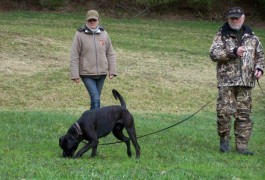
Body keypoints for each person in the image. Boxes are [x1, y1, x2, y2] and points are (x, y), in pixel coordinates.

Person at [209, 6, 264, 155]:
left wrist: (259, 69)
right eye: (232, 18)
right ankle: (224, 141)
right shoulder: (221, 35)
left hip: (246, 82)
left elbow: (260, 56)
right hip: (227, 82)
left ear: (243, 18)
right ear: (228, 19)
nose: (234, 20)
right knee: (224, 113)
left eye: (237, 18)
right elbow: (213, 54)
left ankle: (242, 147)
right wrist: (232, 52)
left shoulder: (252, 37)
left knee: (244, 115)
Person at [70, 10, 117, 110]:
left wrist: (112, 70)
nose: (92, 22)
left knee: (95, 99)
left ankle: (91, 123)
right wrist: (75, 74)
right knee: (96, 99)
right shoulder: (79, 34)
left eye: (94, 20)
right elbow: (74, 55)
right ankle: (96, 123)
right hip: (86, 74)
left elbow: (110, 53)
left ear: (98, 20)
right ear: (86, 20)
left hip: (102, 74)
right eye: (90, 20)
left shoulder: (104, 34)